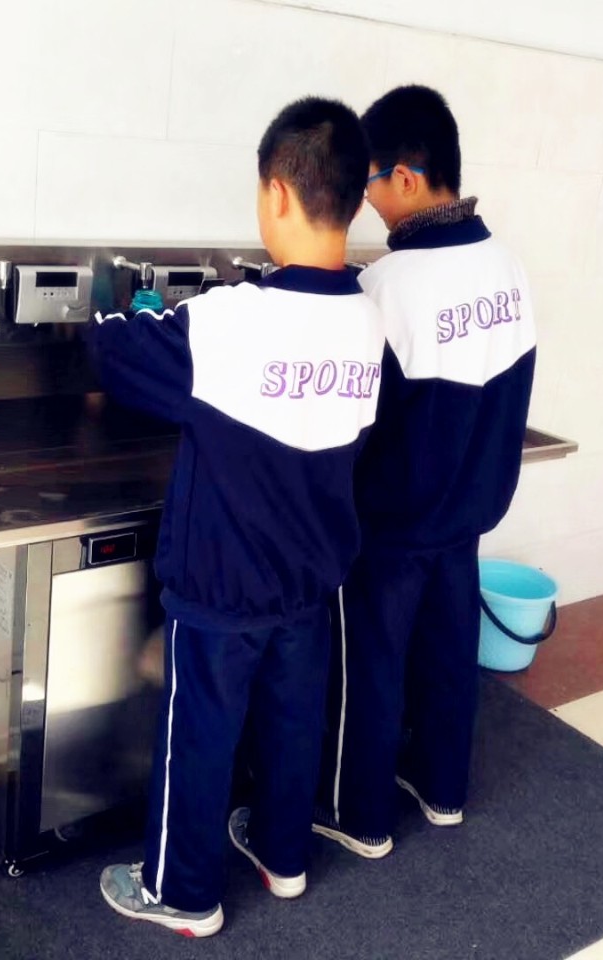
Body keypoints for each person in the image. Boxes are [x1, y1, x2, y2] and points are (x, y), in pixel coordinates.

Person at [91, 96, 384, 937]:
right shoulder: (369, 320)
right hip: (310, 582)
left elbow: (113, 351)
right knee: (294, 724)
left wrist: (125, 302)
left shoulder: (231, 320)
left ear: (277, 194)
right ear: (352, 201)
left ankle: (182, 893)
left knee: (200, 734)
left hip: (221, 588)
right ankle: (284, 858)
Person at [312, 85, 537, 858]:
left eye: (368, 183)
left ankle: (358, 817)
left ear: (404, 178)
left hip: (392, 525)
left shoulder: (389, 286)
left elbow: (352, 418)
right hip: (469, 511)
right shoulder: (508, 267)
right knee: (447, 653)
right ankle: (443, 791)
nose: (364, 203)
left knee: (370, 667)